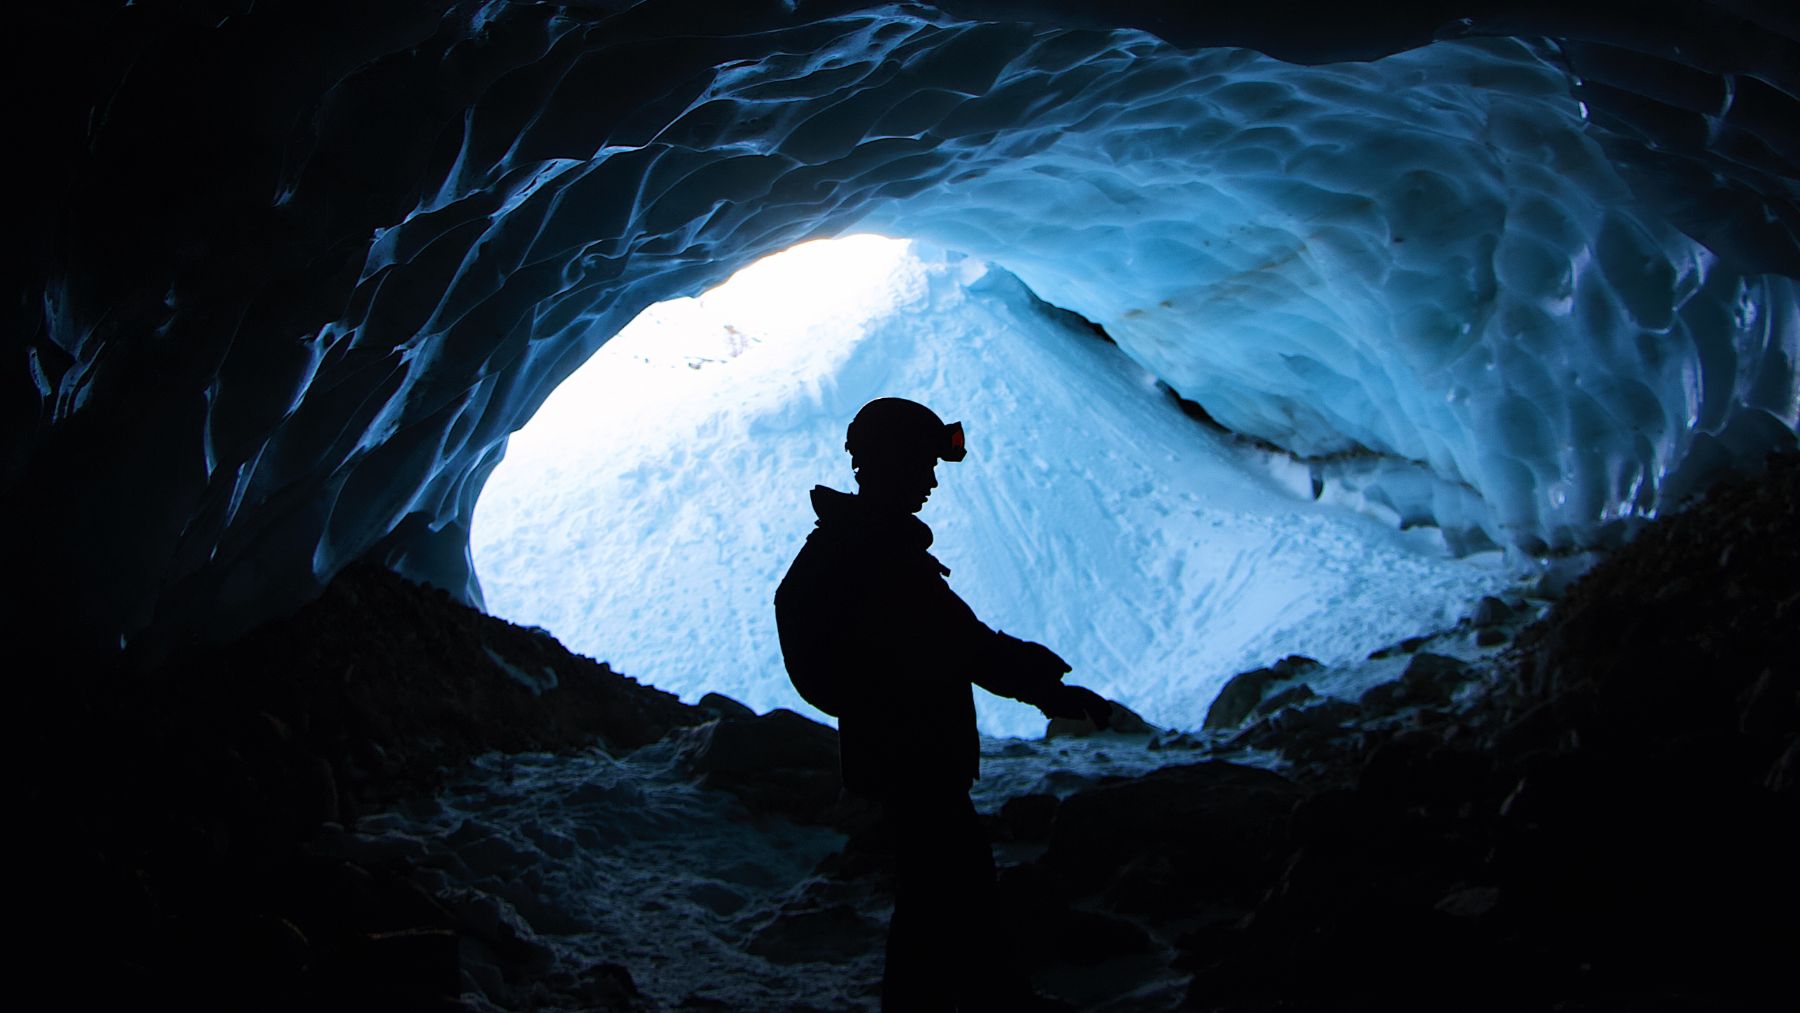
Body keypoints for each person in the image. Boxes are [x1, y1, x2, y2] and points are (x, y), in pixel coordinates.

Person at [774, 396, 1111, 1010]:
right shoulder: (879, 555)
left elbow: (952, 642)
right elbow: (961, 644)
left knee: (936, 894)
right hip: (916, 754)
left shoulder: (859, 544)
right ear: (892, 464)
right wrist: (1046, 687)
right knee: (950, 889)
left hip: (898, 752)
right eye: (923, 465)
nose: (931, 480)